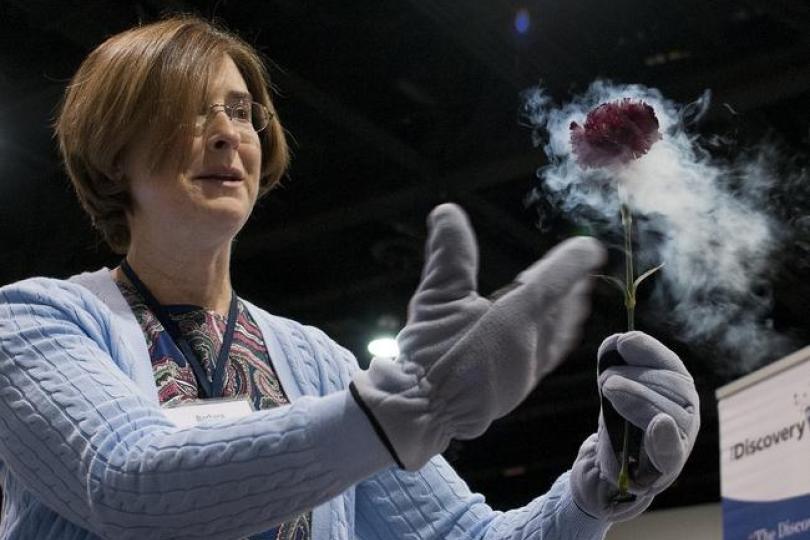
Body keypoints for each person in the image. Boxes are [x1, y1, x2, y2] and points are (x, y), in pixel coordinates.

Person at [0, 15, 700, 540]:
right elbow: (128, 484)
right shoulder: (36, 322)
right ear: (113, 150)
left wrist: (594, 490)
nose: (226, 133)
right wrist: (399, 413)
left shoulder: (317, 362)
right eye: (188, 109)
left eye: (241, 110)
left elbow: (462, 535)